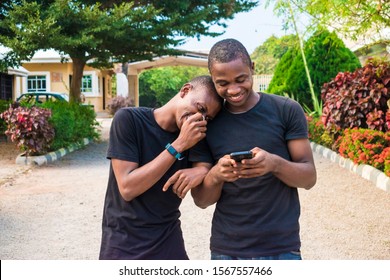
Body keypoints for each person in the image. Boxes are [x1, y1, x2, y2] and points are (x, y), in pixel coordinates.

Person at [189, 39, 317, 260]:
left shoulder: (286, 110)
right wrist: (216, 175)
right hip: (227, 251)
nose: (234, 90)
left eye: (241, 79)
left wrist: (274, 164)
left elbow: (309, 178)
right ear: (212, 79)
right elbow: (201, 201)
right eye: (223, 83)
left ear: (252, 69)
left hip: (281, 249)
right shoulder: (206, 123)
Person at [99, 75, 222, 260]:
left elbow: (203, 178)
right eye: (200, 108)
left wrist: (204, 170)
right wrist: (178, 146)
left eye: (207, 118)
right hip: (123, 242)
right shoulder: (129, 120)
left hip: (167, 239)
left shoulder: (196, 134)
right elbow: (127, 187)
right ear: (185, 90)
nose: (200, 119)